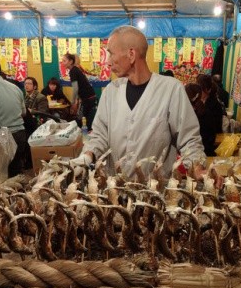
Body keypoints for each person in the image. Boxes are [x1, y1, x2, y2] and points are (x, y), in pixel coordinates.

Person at [70, 25, 206, 179]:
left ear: (131, 54)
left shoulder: (170, 90)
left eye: (111, 54)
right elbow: (99, 134)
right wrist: (87, 156)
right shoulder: (111, 92)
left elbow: (189, 140)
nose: (108, 62)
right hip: (116, 190)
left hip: (155, 192)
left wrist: (198, 168)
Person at [62, 53, 96, 130]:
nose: (62, 63)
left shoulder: (73, 71)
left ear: (71, 61)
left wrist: (73, 103)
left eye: (64, 61)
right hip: (90, 97)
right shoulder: (76, 70)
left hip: (88, 99)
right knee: (84, 119)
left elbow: (75, 88)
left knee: (81, 119)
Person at [196, 74, 224, 156]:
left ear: (208, 90)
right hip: (201, 139)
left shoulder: (215, 105)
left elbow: (213, 127)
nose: (198, 91)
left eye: (201, 89)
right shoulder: (199, 102)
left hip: (210, 142)